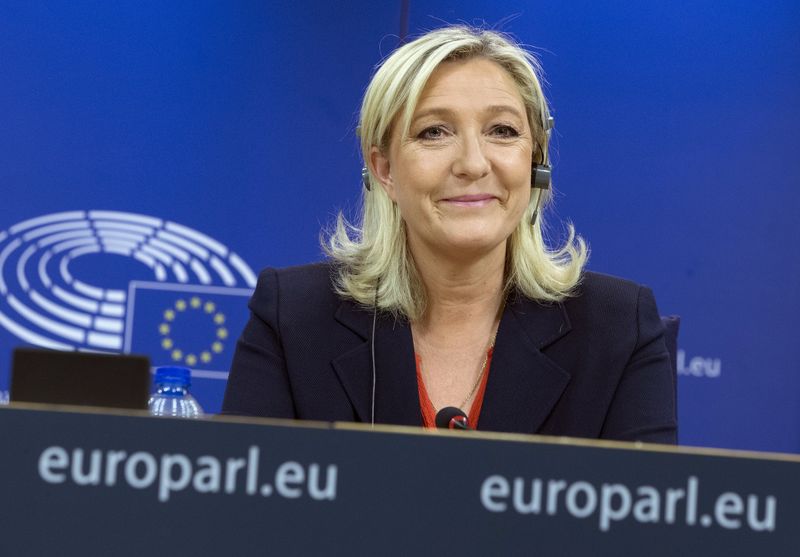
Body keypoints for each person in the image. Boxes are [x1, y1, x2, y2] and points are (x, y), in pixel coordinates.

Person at [222, 25, 677, 443]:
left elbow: (643, 528)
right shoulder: (292, 319)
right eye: (434, 132)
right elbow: (243, 519)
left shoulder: (619, 328)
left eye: (502, 131)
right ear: (384, 170)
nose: (474, 163)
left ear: (535, 162)